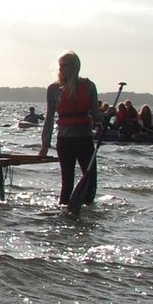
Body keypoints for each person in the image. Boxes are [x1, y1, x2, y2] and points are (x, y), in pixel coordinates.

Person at [39, 52, 101, 206]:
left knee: (91, 182)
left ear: (75, 67)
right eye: (60, 66)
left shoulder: (89, 86)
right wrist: (45, 145)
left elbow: (97, 115)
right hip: (65, 141)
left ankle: (88, 213)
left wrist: (107, 115)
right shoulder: (53, 89)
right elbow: (49, 118)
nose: (62, 69)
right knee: (67, 183)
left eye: (65, 66)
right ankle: (65, 214)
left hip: (84, 139)